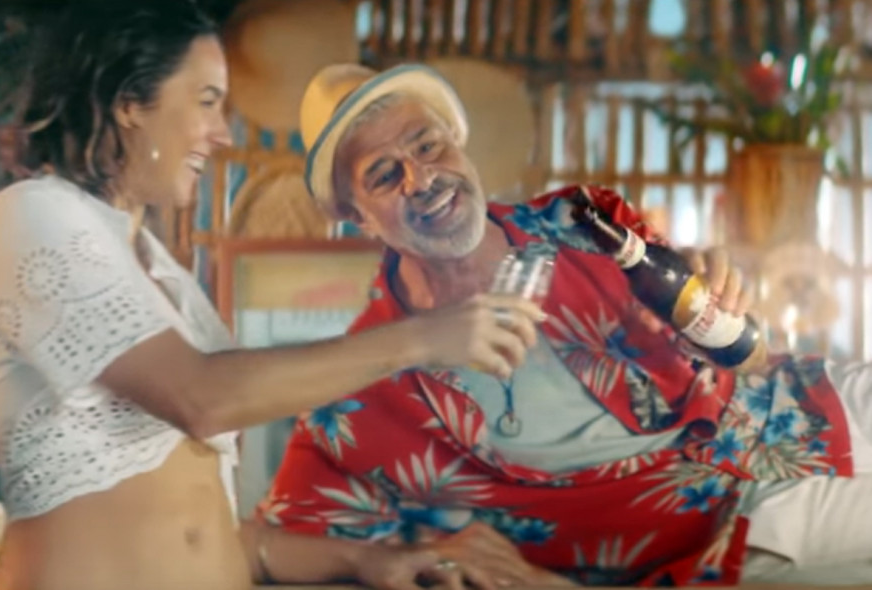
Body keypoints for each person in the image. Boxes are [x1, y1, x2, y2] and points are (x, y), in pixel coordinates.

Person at [0, 4, 544, 590]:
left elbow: (211, 532)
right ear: (130, 102)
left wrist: (367, 560)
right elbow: (199, 398)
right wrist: (425, 338)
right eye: (206, 101)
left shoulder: (158, 268)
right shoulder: (30, 213)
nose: (222, 133)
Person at [259, 61, 872, 587]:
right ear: (358, 216)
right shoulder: (361, 392)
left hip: (807, 411)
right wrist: (369, 560)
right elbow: (260, 541)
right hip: (731, 533)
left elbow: (747, 354)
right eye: (383, 175)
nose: (421, 179)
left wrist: (725, 301)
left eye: (427, 146)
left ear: (459, 143)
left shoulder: (586, 220)